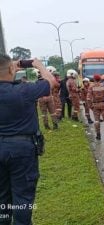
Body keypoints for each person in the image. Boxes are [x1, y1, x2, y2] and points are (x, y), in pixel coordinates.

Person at [0, 54, 56, 224]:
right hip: (21, 150)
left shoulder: (20, 89)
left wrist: (9, 70)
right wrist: (38, 65)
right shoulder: (23, 90)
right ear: (11, 69)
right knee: (22, 196)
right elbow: (50, 82)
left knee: (1, 195)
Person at [87, 74, 104, 140]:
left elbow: (88, 98)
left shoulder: (91, 87)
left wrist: (90, 106)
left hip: (95, 105)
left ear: (94, 79)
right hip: (103, 104)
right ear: (100, 79)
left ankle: (98, 136)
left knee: (96, 120)